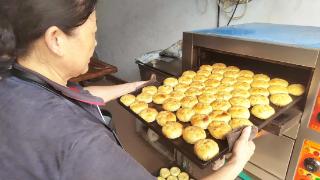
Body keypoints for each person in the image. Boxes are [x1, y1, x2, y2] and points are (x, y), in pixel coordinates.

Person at [0, 0, 255, 179]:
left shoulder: (15, 81)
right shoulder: (78, 140)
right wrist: (237, 161)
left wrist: (135, 86)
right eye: (93, 32)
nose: (96, 41)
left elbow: (79, 98)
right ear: (56, 39)